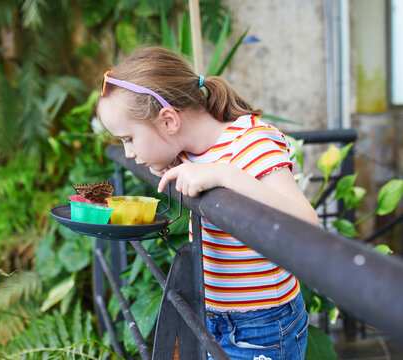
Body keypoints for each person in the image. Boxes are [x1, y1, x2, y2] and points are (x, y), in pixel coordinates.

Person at [96, 46, 319, 360]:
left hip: (262, 326)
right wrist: (162, 161)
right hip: (213, 315)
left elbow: (309, 226)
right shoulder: (188, 150)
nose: (128, 153)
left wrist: (228, 176)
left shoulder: (251, 144)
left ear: (169, 121)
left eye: (128, 138)